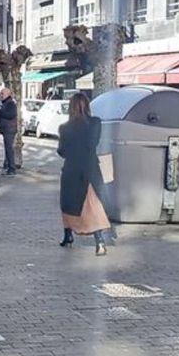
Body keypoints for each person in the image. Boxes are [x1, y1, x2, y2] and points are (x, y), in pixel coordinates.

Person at [57, 93, 110, 257]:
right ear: (87, 105)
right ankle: (99, 241)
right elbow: (94, 143)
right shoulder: (95, 123)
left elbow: (62, 151)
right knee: (93, 205)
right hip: (90, 169)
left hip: (71, 170)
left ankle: (68, 235)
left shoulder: (65, 128)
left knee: (68, 203)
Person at [0, 87, 19, 175]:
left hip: (9, 129)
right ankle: (7, 164)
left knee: (9, 148)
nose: (1, 95)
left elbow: (10, 115)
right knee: (7, 148)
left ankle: (11, 168)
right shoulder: (6, 103)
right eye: (0, 93)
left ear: (7, 94)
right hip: (7, 128)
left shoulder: (10, 104)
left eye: (2, 94)